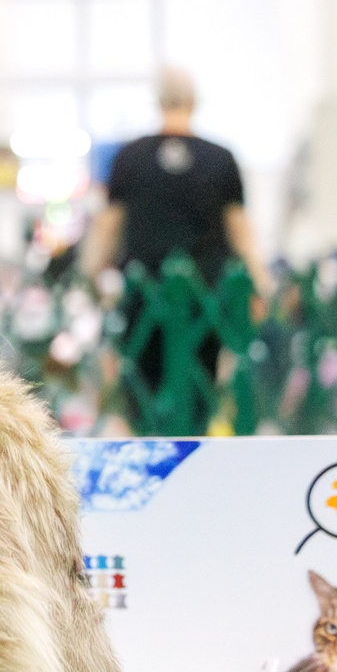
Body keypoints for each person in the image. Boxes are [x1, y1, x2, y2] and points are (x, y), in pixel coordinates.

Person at [80, 70, 266, 420]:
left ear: (159, 101)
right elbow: (240, 230)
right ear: (194, 102)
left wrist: (92, 274)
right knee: (201, 385)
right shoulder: (221, 158)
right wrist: (260, 280)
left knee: (142, 382)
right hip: (205, 294)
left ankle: (150, 447)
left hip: (144, 292)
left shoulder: (129, 157)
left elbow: (108, 225)